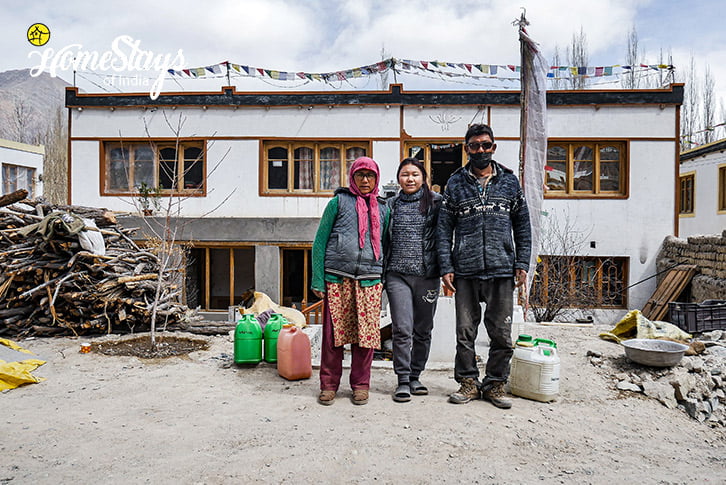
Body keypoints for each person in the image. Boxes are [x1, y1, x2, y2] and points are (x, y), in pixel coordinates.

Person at [437, 123, 531, 408]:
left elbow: (523, 226)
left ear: (494, 147)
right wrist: (446, 266)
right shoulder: (454, 183)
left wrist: (522, 263)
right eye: (475, 145)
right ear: (467, 149)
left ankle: (495, 385)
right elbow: (444, 229)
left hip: (502, 268)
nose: (480, 150)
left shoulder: (510, 182)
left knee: (501, 333)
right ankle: (468, 383)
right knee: (465, 332)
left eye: (485, 145)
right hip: (464, 269)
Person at [311, 157, 390, 406]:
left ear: (376, 179)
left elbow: (387, 245)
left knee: (365, 338)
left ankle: (360, 385)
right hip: (337, 278)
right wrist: (318, 280)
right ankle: (329, 384)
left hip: (369, 280)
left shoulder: (384, 209)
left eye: (370, 176)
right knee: (333, 337)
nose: (365, 180)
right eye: (360, 175)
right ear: (352, 177)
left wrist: (383, 278)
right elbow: (320, 242)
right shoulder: (338, 203)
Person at [385, 158, 442, 403]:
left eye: (415, 174)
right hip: (397, 276)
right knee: (402, 329)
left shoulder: (438, 204)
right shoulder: (389, 205)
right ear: (398, 178)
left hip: (427, 276)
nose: (410, 179)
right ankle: (403, 379)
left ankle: (416, 375)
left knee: (423, 329)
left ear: (423, 178)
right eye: (405, 174)